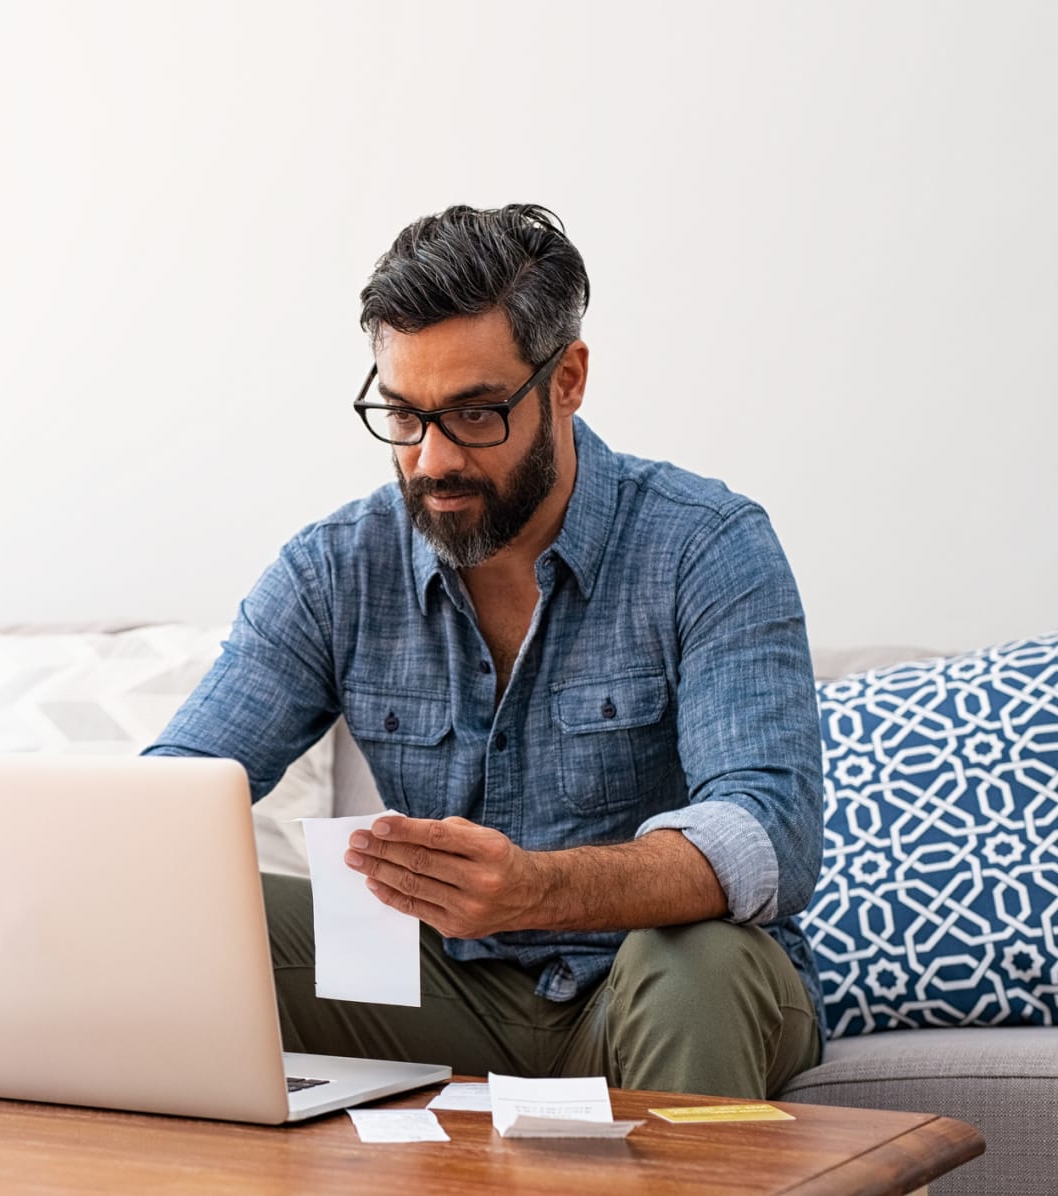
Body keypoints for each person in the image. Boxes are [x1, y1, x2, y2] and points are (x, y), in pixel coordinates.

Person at [143, 203, 824, 1099]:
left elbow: (769, 832)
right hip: (439, 989)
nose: (431, 461)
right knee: (194, 926)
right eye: (404, 415)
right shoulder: (334, 569)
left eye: (473, 414)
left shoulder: (706, 545)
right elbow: (172, 797)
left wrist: (537, 889)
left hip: (646, 993)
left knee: (699, 959)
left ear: (567, 379)